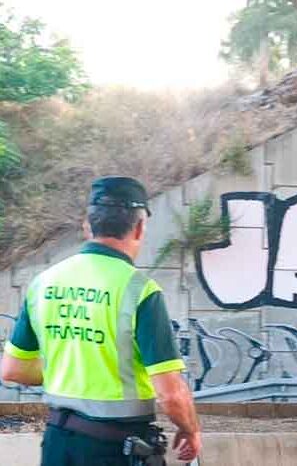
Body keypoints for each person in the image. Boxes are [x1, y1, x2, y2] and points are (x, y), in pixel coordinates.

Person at [1, 176, 201, 465]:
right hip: (117, 449)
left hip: (58, 445)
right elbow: (170, 394)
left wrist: (74, 365)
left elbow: (12, 369)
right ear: (140, 227)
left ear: (87, 224)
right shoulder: (139, 290)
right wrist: (190, 428)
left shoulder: (43, 284)